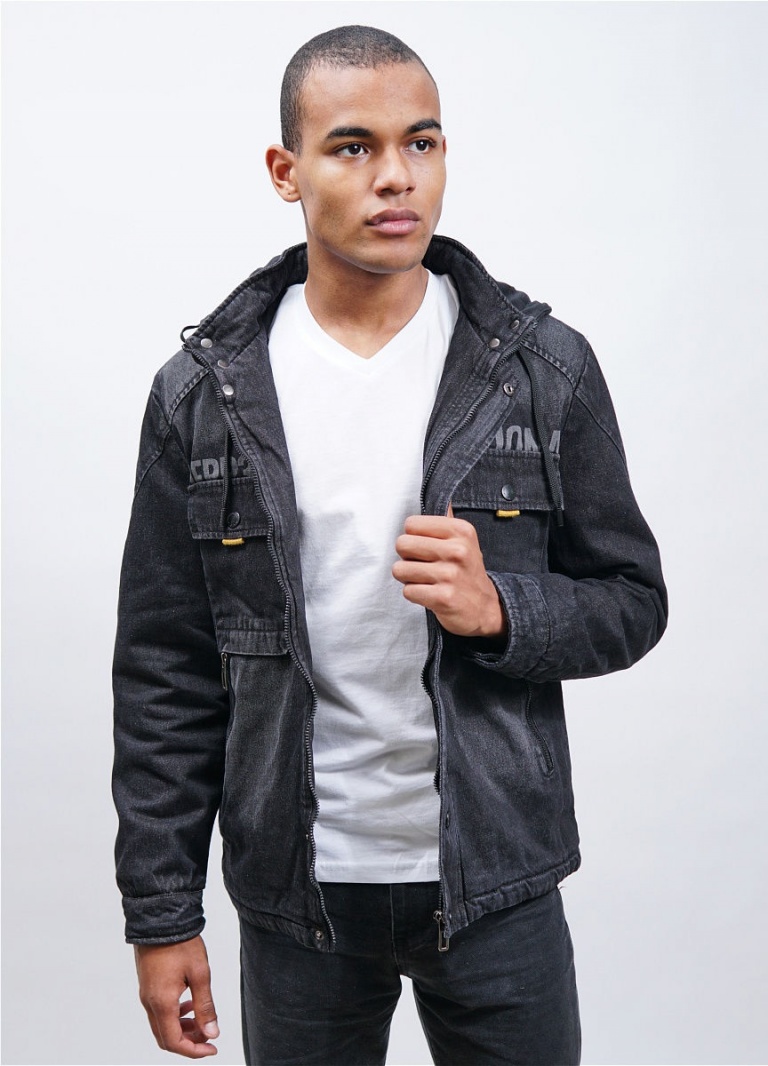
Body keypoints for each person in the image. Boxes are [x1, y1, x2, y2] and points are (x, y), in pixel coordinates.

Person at [112, 24, 667, 1066]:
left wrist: (501, 609)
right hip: (299, 896)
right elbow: (163, 673)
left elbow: (633, 599)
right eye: (353, 146)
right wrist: (162, 913)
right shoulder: (206, 395)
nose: (396, 176)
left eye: (421, 142)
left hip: (496, 884)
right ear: (286, 171)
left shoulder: (538, 369)